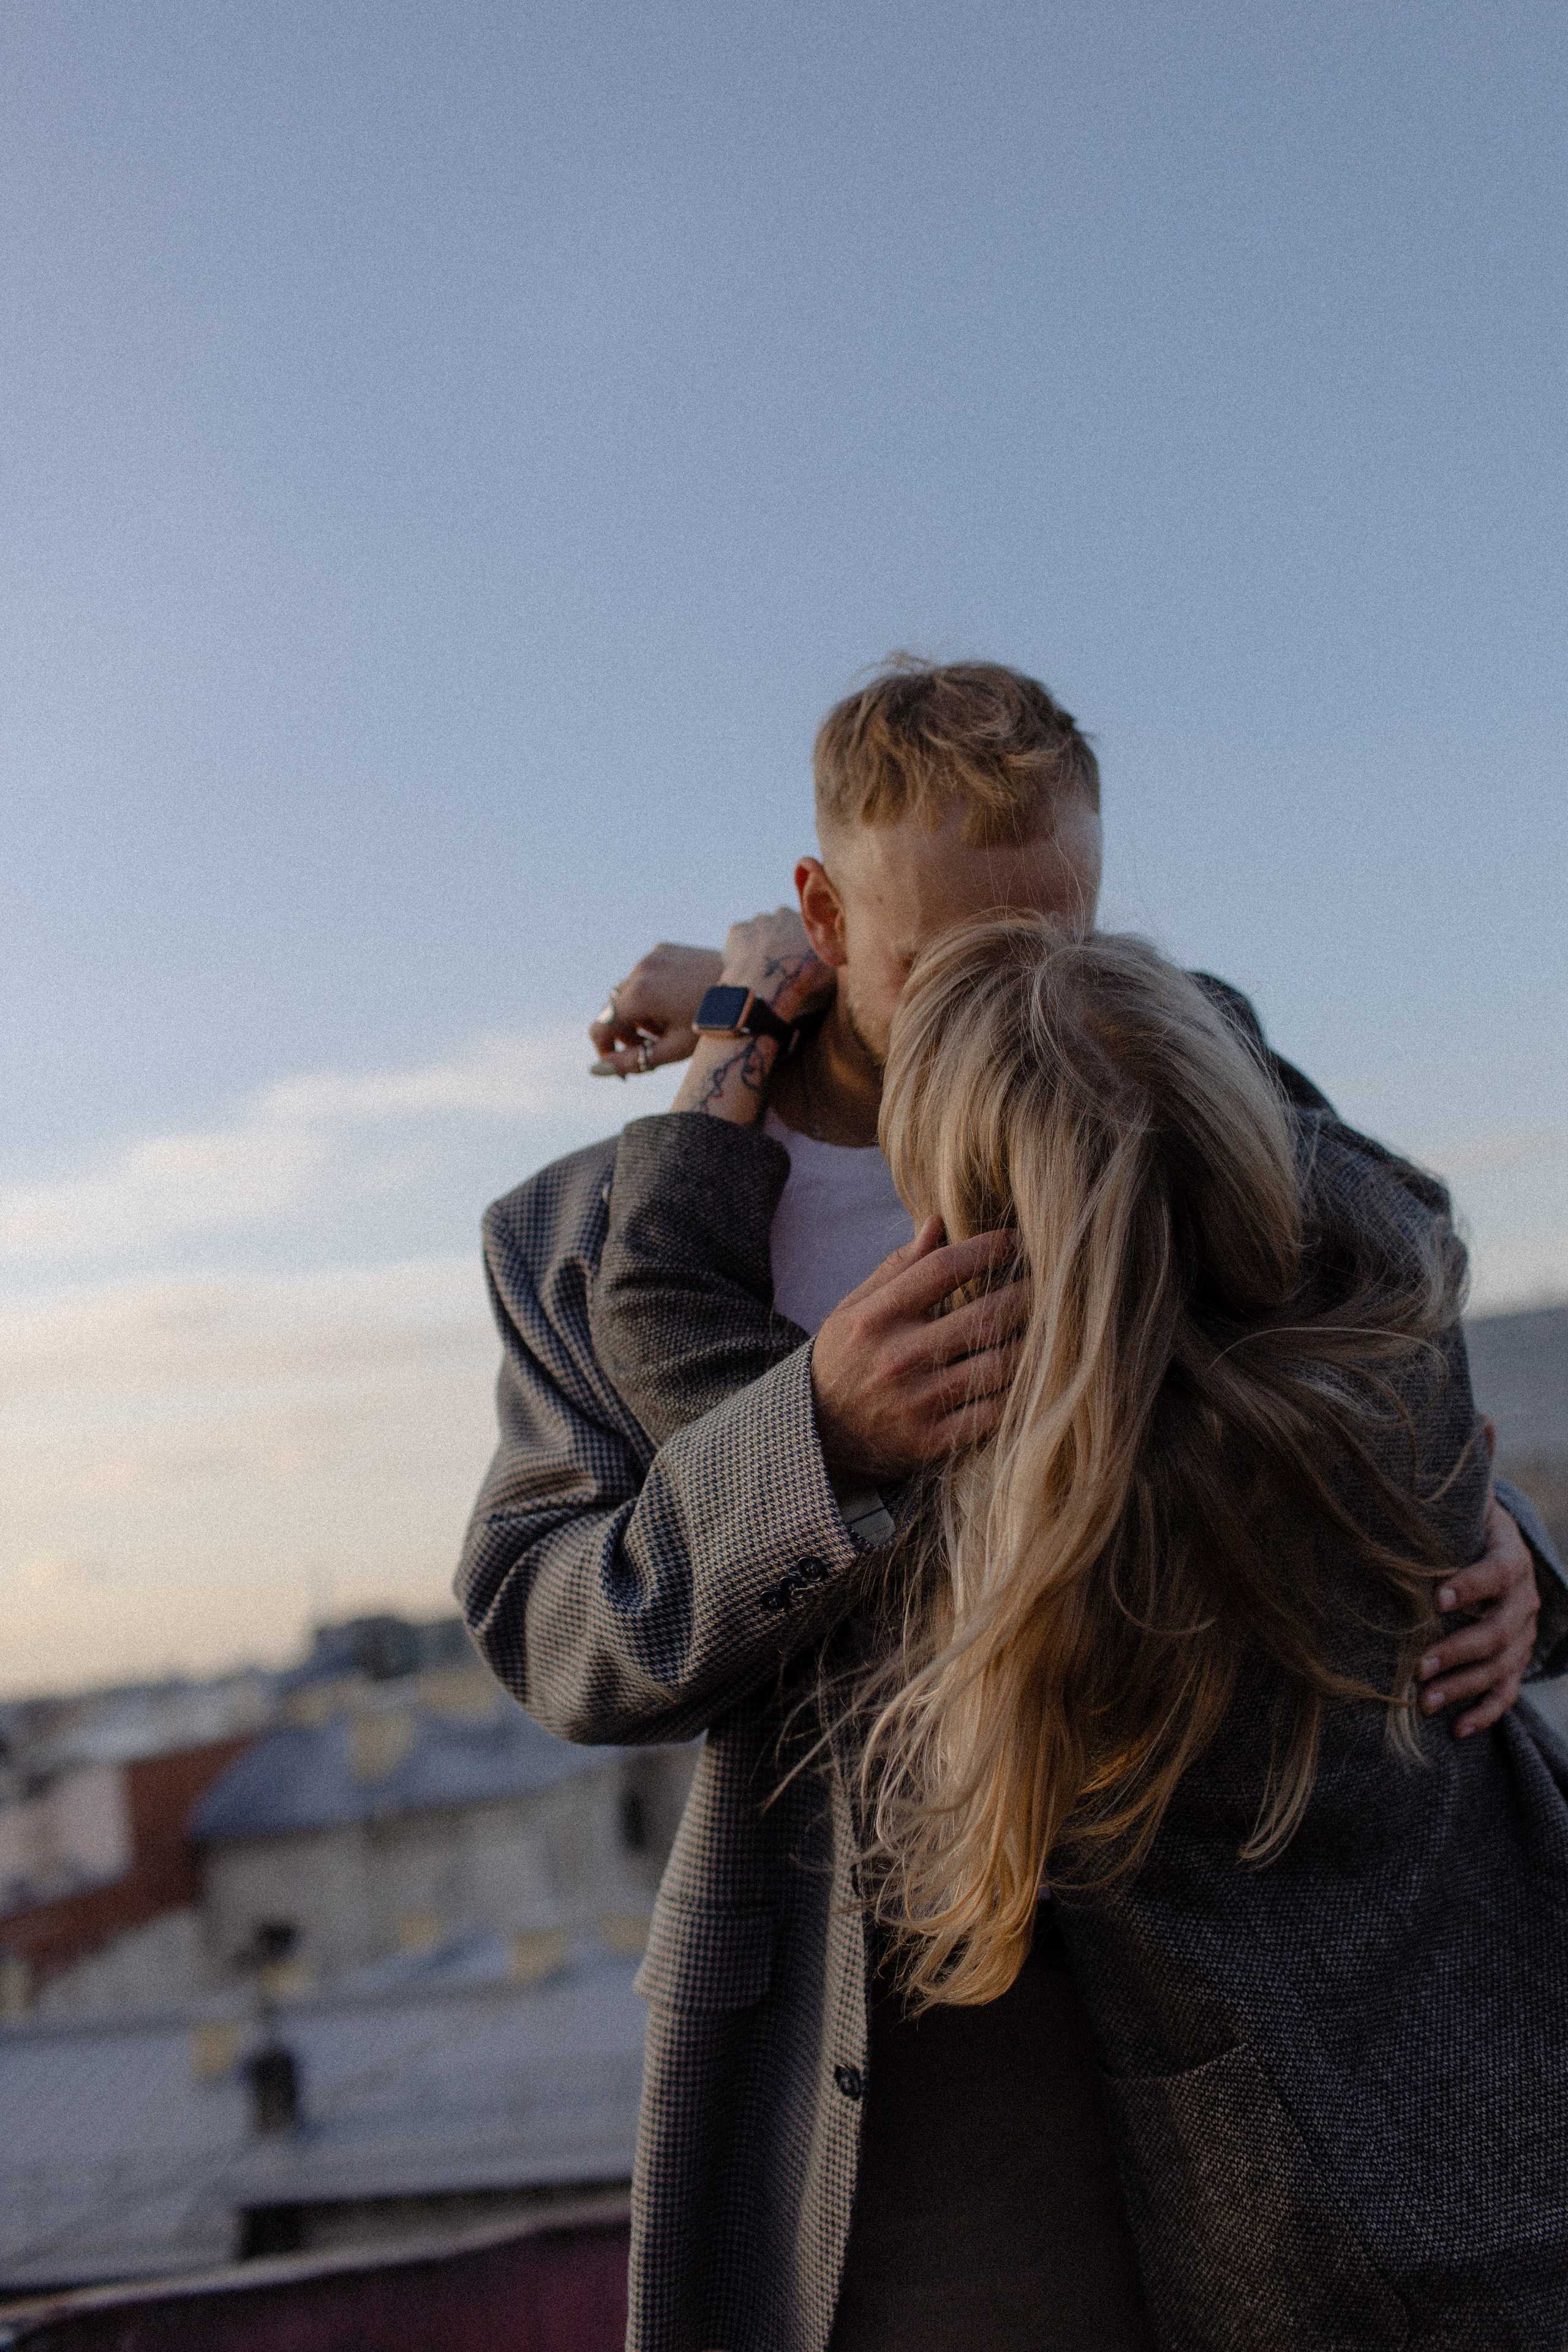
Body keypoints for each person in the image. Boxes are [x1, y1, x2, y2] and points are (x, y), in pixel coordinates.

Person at [454, 662, 1561, 2350]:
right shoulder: (580, 1241)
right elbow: (557, 1635)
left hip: (1289, 2003)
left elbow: (1389, 1330)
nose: (1025, 992)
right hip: (901, 2041)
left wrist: (1515, 1566)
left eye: (1063, 937)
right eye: (953, 958)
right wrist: (817, 1442)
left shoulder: (1176, 1072)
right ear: (823, 909)